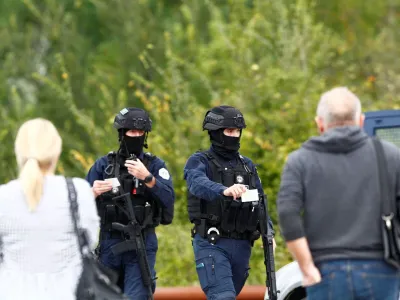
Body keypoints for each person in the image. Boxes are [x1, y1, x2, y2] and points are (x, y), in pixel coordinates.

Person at [277, 87, 400, 300]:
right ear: (361, 121)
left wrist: (307, 267)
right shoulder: (390, 155)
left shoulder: (300, 161)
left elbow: (288, 213)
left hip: (325, 271)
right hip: (381, 269)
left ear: (320, 123)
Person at [0, 118, 100, 300]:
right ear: (57, 151)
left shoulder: (3, 197)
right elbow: (90, 241)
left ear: (18, 150)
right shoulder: (78, 192)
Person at [184, 105, 275, 300]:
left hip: (242, 246)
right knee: (223, 296)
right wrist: (223, 190)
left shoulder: (247, 165)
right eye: (229, 131)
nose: (234, 136)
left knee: (228, 295)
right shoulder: (199, 161)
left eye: (237, 131)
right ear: (215, 133)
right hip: (212, 244)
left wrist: (269, 233)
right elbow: (196, 183)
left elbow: (259, 201)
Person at [86, 107, 175, 300]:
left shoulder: (155, 166)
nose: (135, 136)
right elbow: (79, 207)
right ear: (122, 133)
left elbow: (169, 202)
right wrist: (92, 193)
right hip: (110, 243)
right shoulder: (104, 166)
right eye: (131, 132)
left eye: (140, 132)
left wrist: (148, 179)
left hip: (141, 242)